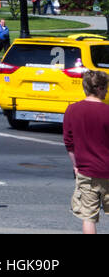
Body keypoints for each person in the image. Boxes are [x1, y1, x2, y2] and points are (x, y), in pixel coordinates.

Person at [62, 69, 109, 234]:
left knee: (89, 217)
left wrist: (76, 165)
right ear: (99, 88)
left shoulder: (72, 110)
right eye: (106, 87)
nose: (107, 91)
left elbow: (69, 142)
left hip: (87, 172)